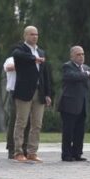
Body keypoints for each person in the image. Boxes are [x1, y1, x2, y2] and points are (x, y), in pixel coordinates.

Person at [10, 26, 53, 163]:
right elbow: (17, 55)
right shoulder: (20, 49)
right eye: (32, 34)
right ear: (25, 35)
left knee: (37, 124)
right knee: (21, 122)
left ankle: (32, 152)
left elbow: (44, 75)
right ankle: (18, 152)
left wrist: (47, 94)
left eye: (36, 34)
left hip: (39, 93)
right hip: (24, 92)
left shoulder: (41, 51)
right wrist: (34, 59)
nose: (35, 36)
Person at [59, 45, 90, 161]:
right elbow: (73, 77)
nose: (81, 56)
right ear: (72, 56)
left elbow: (87, 86)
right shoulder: (67, 66)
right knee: (68, 131)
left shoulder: (87, 68)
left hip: (82, 104)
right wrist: (85, 75)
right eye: (78, 54)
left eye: (82, 54)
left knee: (79, 131)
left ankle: (77, 153)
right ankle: (66, 154)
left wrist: (86, 74)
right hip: (69, 104)